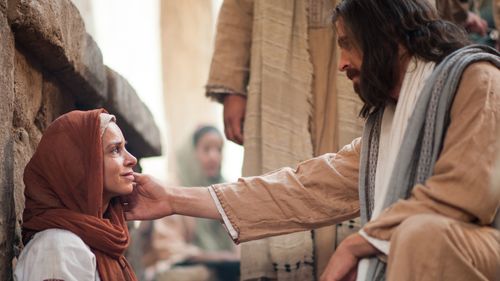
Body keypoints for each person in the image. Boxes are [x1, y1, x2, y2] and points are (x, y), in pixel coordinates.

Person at [125, 0, 500, 280]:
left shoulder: (477, 80)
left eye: (347, 43)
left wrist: (359, 243)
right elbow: (300, 189)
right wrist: (172, 199)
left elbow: (462, 193)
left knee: (420, 237)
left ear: (383, 38)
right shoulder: (383, 130)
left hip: (481, 248)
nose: (341, 63)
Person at [206, 0, 364, 279]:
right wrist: (232, 86)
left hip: (361, 42)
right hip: (276, 47)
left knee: (350, 172)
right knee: (282, 170)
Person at [14, 109, 138, 281]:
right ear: (78, 168)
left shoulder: (100, 242)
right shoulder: (58, 247)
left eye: (124, 148)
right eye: (115, 150)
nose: (132, 159)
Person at [142, 126, 239, 281]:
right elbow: (168, 248)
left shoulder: (226, 191)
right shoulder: (172, 190)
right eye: (206, 149)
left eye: (218, 150)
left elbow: (239, 245)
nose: (214, 156)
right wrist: (214, 257)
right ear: (191, 153)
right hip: (183, 268)